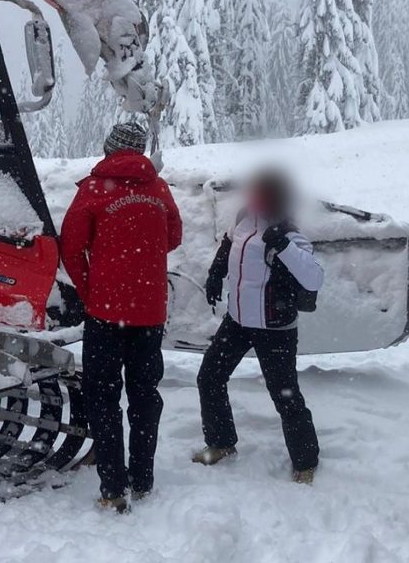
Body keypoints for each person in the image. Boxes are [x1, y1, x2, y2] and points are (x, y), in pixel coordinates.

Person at [60, 122, 182, 513]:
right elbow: (173, 237)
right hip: (149, 312)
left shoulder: (94, 189)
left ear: (109, 148)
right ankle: (142, 479)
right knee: (145, 396)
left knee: (103, 396)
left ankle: (113, 488)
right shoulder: (157, 188)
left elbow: (71, 248)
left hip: (105, 313)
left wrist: (90, 290)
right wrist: (142, 250)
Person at [193, 168, 323, 484]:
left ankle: (305, 462)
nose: (253, 199)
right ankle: (221, 443)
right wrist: (215, 274)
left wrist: (284, 246)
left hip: (274, 328)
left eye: (261, 195)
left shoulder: (289, 232)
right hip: (238, 321)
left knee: (285, 396)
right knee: (209, 377)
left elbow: (314, 278)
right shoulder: (244, 217)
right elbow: (228, 244)